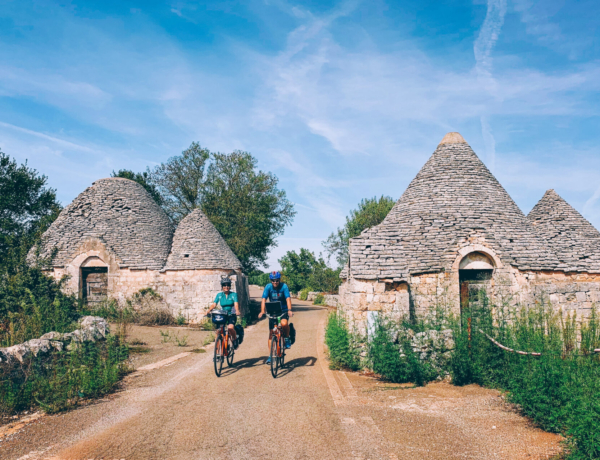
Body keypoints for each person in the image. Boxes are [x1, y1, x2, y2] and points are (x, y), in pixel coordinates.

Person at [258, 271, 293, 364]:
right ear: (271, 281)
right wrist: (262, 311)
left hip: (283, 310)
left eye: (277, 280)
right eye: (273, 281)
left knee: (284, 323)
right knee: (271, 334)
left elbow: (288, 298)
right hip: (272, 311)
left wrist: (289, 309)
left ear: (279, 280)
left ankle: (286, 338)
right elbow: (263, 299)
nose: (275, 282)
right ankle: (271, 355)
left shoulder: (284, 286)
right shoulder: (268, 287)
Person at [207, 277, 241, 349]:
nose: (226, 287)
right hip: (223, 315)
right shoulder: (219, 295)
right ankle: (217, 352)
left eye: (228, 285)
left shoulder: (233, 295)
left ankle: (235, 339)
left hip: (231, 314)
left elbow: (236, 304)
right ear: (222, 287)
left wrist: (237, 310)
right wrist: (208, 310)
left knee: (230, 328)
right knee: (218, 332)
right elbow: (214, 304)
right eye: (224, 285)